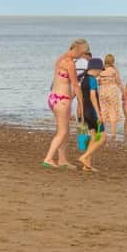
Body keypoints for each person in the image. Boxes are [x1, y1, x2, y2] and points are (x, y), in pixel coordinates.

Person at [42, 39, 88, 168]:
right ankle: (48, 158)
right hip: (62, 100)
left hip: (53, 98)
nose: (81, 56)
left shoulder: (60, 59)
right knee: (62, 132)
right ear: (78, 50)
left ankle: (62, 159)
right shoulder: (69, 64)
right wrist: (81, 102)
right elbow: (75, 85)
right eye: (82, 53)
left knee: (65, 131)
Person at [78, 58, 107, 171]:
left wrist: (81, 112)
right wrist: (99, 114)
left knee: (94, 137)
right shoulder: (92, 80)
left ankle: (87, 165)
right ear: (96, 69)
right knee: (103, 138)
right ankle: (83, 157)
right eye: (100, 70)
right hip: (93, 112)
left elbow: (82, 97)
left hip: (86, 112)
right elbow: (92, 96)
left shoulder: (84, 79)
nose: (100, 73)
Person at [98, 54, 124, 139]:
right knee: (112, 112)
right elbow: (119, 82)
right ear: (113, 61)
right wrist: (123, 92)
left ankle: (101, 132)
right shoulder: (114, 70)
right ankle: (113, 133)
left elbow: (98, 82)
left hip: (102, 91)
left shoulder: (101, 70)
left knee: (103, 111)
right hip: (112, 92)